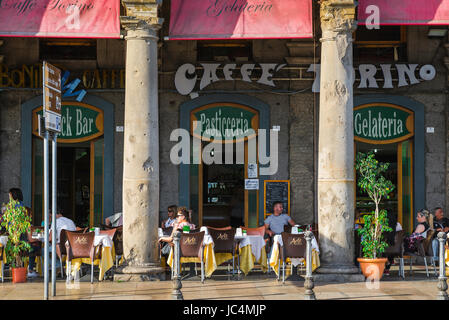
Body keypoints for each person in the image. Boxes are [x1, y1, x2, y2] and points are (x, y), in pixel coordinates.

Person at [383, 210, 403, 276]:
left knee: (382, 249)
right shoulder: (398, 225)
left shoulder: (383, 226)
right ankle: (387, 268)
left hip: (385, 249)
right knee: (391, 249)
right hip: (396, 248)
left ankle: (384, 265)